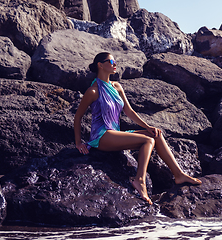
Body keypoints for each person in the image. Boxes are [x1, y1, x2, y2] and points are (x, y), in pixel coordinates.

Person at [74, 52, 202, 205]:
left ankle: (179, 174)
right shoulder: (93, 91)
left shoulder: (117, 86)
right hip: (101, 136)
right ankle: (139, 180)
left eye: (115, 60)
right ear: (100, 65)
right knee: (147, 141)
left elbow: (129, 112)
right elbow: (78, 117)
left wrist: (148, 127)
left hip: (115, 133)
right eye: (111, 61)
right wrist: (78, 143)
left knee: (155, 135)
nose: (115, 64)